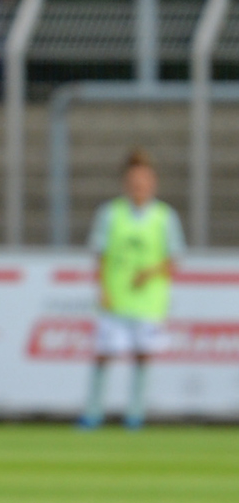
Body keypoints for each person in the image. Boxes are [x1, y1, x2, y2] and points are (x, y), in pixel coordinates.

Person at [80, 148, 184, 430]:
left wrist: (149, 273)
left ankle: (135, 415)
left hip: (149, 301)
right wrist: (102, 287)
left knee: (142, 356)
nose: (139, 187)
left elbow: (173, 259)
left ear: (153, 184)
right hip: (116, 298)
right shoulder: (111, 213)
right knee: (104, 355)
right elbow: (99, 253)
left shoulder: (164, 217)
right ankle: (92, 413)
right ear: (126, 184)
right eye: (134, 182)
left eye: (144, 182)